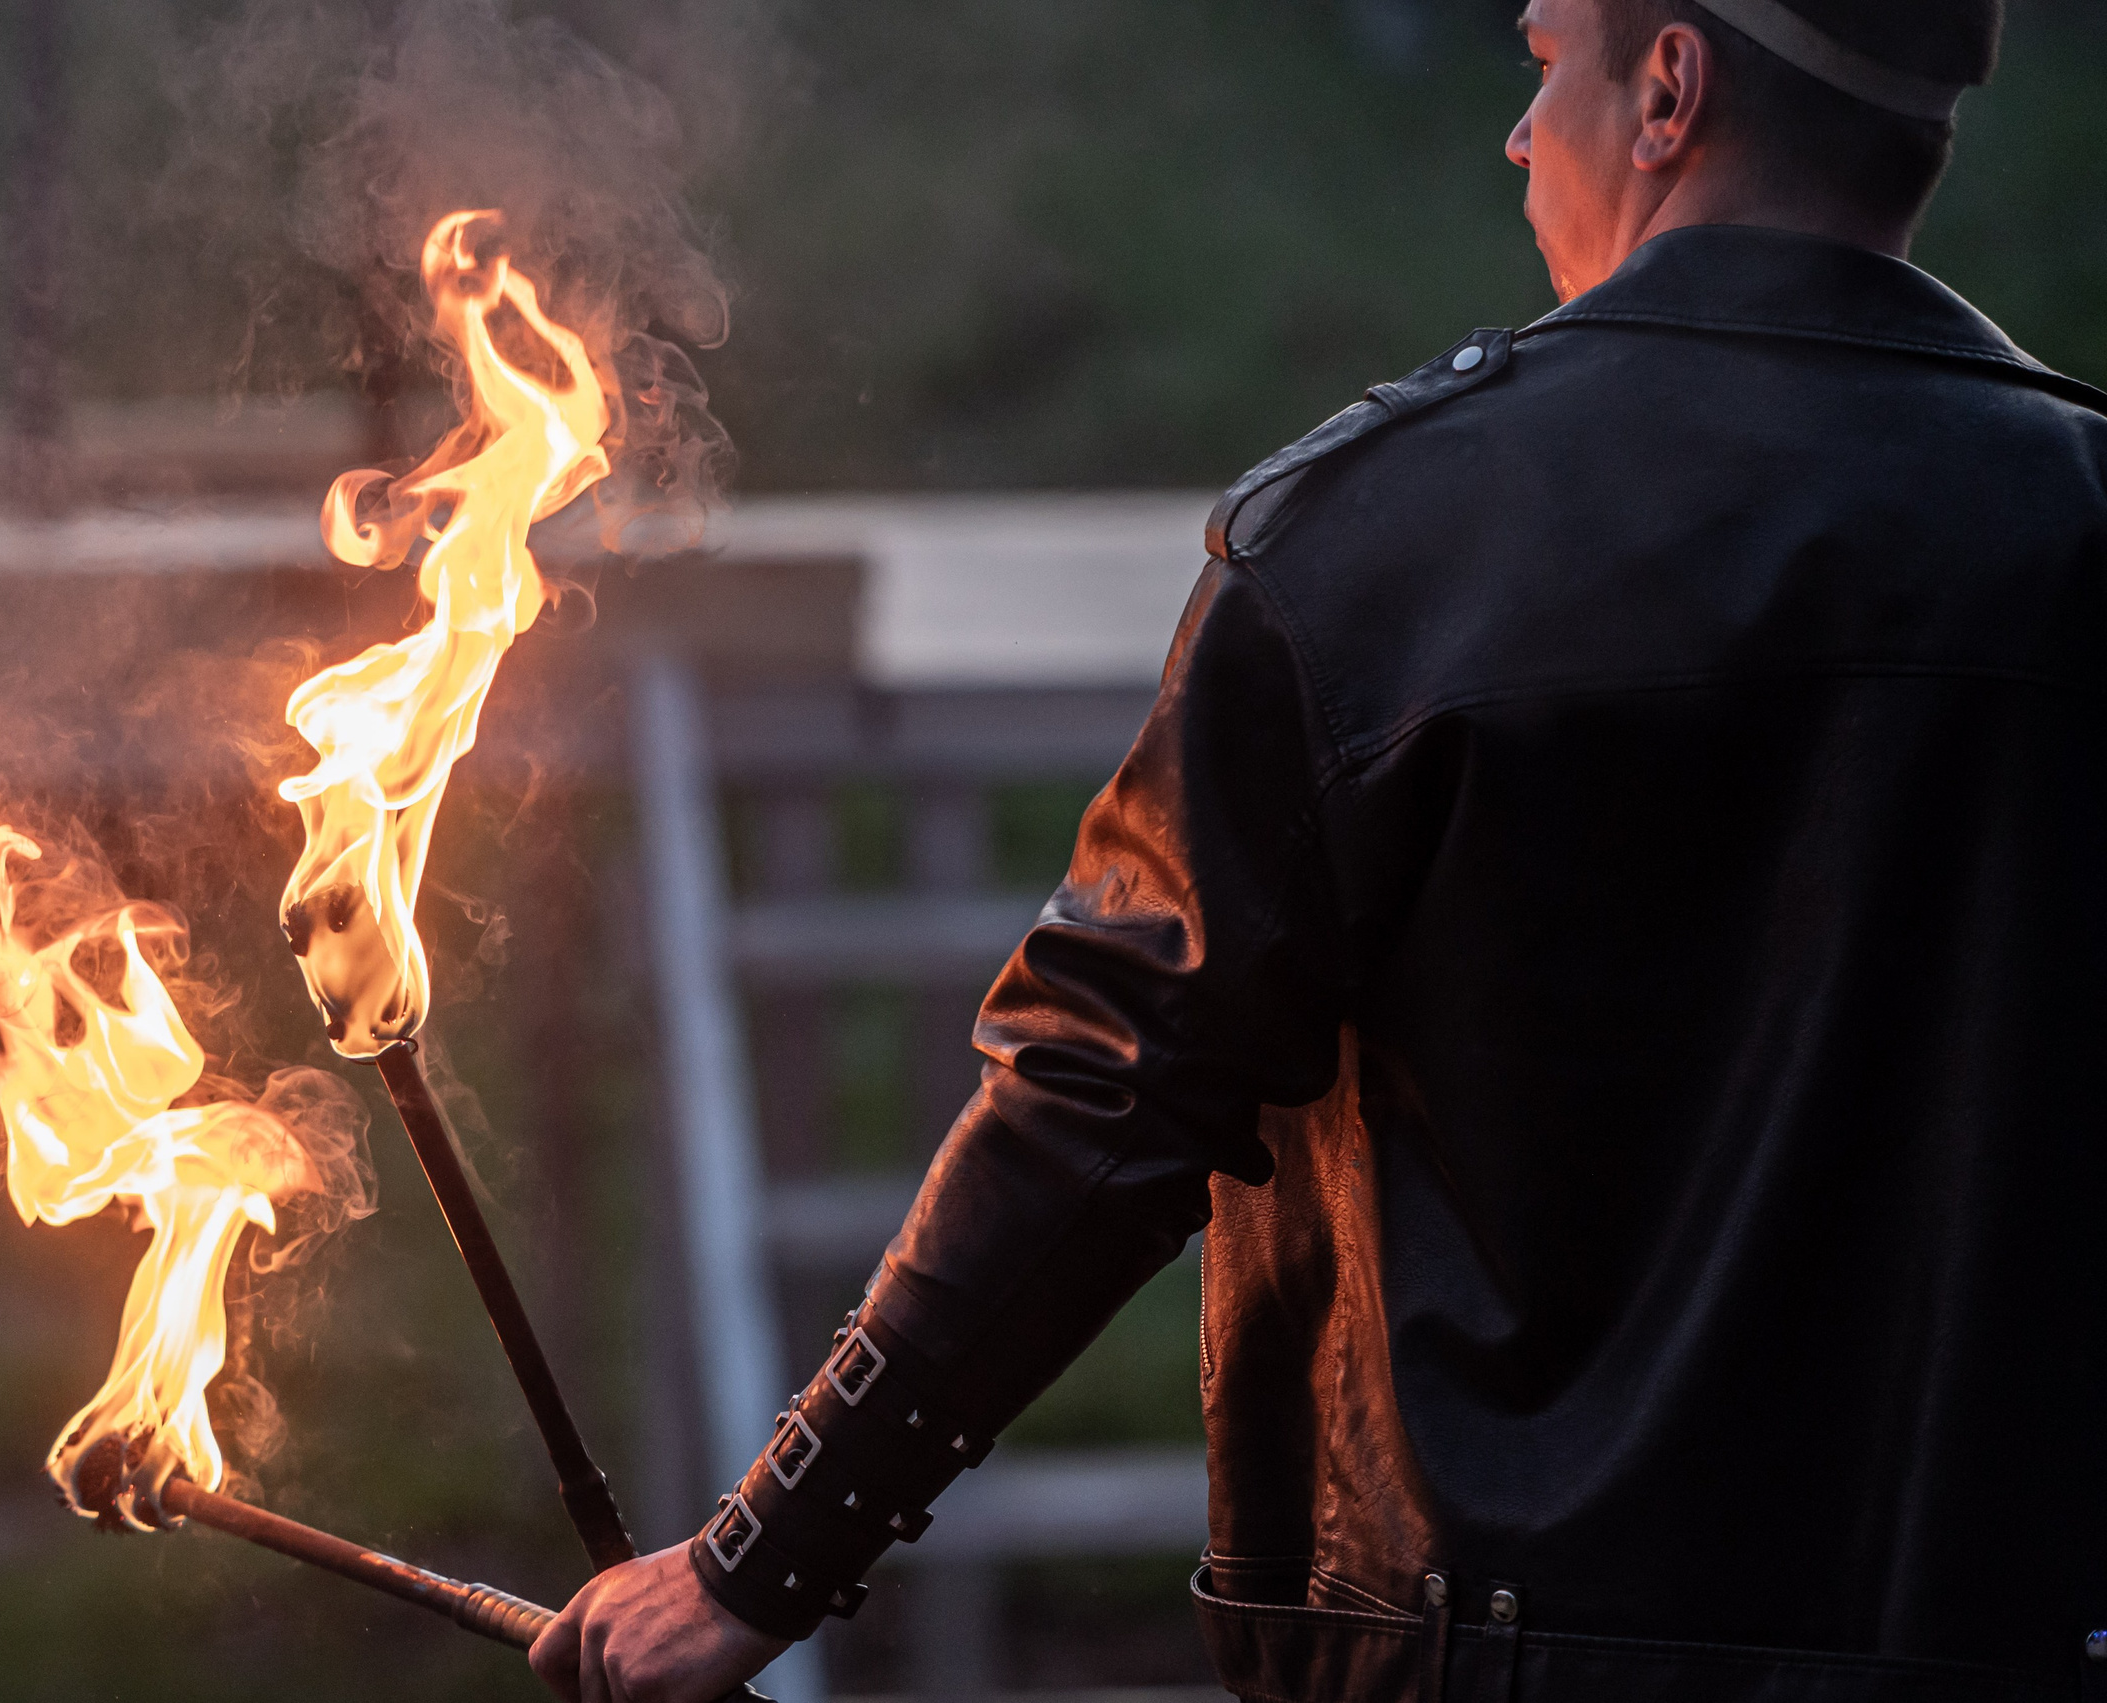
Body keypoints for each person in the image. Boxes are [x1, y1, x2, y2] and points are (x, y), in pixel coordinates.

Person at [534, 0, 2107, 1697]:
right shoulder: (2079, 520)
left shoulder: (1390, 539)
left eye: (1542, 63)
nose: (1519, 136)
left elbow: (1106, 1089)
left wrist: (757, 1560)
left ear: (1668, 90)